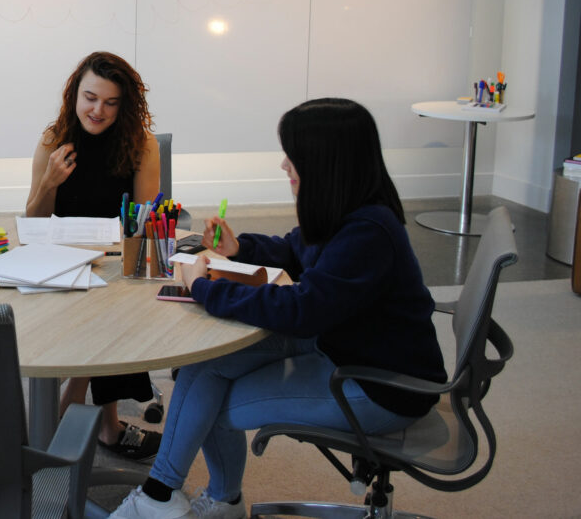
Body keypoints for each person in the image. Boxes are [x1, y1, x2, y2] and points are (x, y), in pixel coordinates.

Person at [112, 98, 448, 519]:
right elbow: (294, 250)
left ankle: (166, 498)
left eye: (294, 155)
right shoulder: (350, 212)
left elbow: (300, 310)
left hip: (377, 383)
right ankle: (203, 499)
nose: (284, 165)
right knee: (205, 367)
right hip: (343, 345)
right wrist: (240, 249)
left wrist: (202, 287)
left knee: (211, 399)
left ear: (326, 163)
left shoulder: (367, 232)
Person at [27, 50, 163, 459]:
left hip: (115, 259)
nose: (98, 110)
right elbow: (33, 222)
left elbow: (140, 225)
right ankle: (107, 423)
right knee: (103, 305)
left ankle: (81, 392)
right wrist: (49, 181)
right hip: (61, 257)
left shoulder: (141, 144)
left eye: (110, 102)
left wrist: (117, 249)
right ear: (74, 95)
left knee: (117, 300)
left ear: (124, 105)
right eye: (90, 97)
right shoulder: (54, 139)